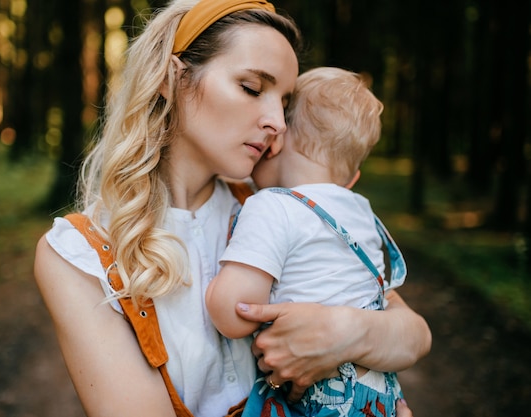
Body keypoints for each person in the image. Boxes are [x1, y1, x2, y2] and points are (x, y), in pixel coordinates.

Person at [33, 0, 431, 415]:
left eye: (285, 103)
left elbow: (415, 333)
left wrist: (343, 332)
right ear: (172, 78)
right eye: (253, 88)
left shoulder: (282, 209)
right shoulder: (79, 253)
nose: (277, 122)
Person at [205, 67, 413, 416]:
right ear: (352, 179)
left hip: (318, 397)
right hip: (378, 395)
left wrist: (212, 288)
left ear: (276, 143)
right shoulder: (363, 213)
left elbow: (234, 315)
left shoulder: (271, 205)